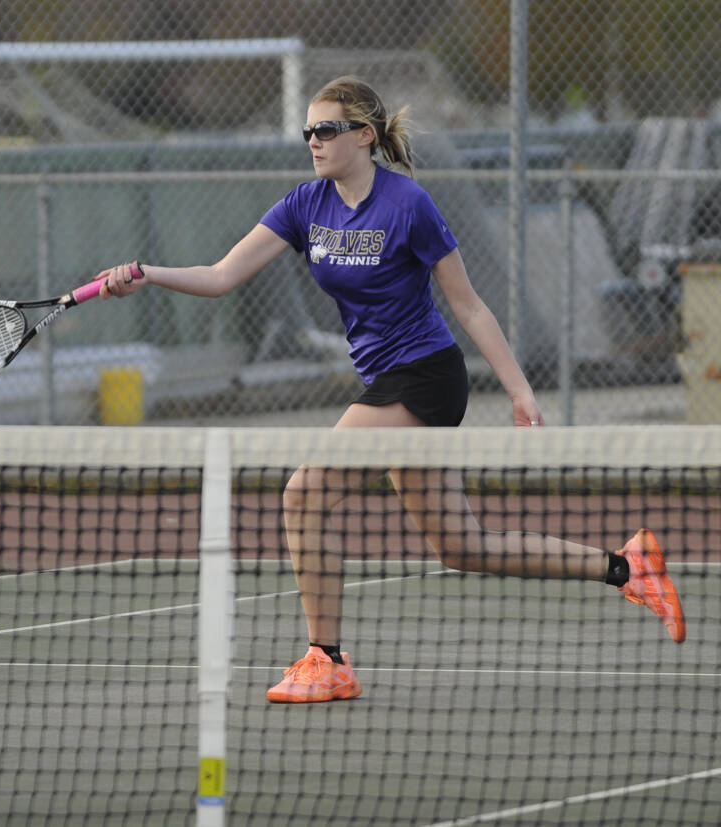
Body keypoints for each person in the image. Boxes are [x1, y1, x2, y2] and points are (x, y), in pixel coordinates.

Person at [94, 76, 685, 705]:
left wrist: (519, 391)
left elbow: (470, 306)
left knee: (303, 494)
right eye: (308, 132)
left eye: (326, 130)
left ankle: (327, 658)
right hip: (384, 380)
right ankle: (627, 567)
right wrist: (147, 275)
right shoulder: (304, 205)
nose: (313, 142)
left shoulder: (409, 205)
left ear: (363, 135)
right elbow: (219, 276)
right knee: (465, 547)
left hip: (426, 377)